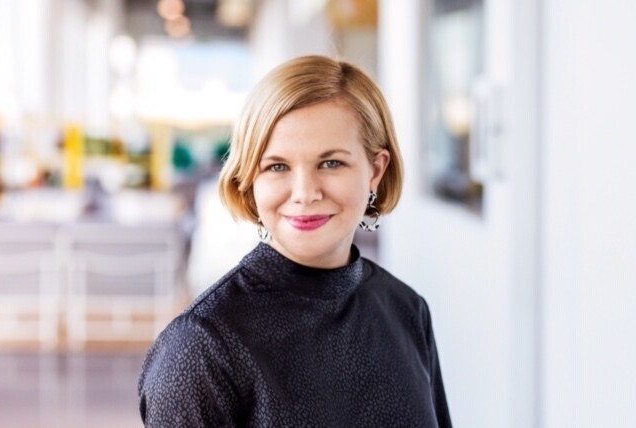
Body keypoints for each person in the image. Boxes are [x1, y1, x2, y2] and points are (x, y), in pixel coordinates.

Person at [138, 55, 452, 427]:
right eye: (277, 166)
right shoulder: (201, 346)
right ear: (249, 180)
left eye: (331, 163)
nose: (304, 193)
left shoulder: (407, 309)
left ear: (376, 170)